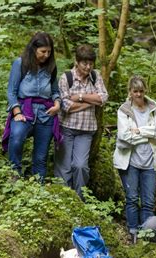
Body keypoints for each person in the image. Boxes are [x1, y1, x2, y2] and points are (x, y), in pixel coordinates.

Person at [113, 75, 156, 239]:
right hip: (130, 162)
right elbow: (124, 136)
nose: (138, 94)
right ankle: (133, 230)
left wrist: (139, 131)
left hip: (150, 162)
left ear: (145, 91)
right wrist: (149, 134)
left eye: (141, 91)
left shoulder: (154, 108)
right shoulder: (124, 110)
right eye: (135, 91)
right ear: (130, 91)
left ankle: (146, 233)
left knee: (149, 202)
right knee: (132, 199)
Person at [2, 31, 61, 181]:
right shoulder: (20, 63)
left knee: (41, 156)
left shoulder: (51, 67)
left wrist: (57, 104)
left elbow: (55, 91)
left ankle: (38, 187)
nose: (46, 55)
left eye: (49, 52)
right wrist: (16, 112)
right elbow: (11, 91)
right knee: (16, 139)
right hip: (24, 111)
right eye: (43, 51)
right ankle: (15, 175)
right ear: (33, 49)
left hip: (46, 115)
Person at [54, 44, 108, 199]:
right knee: (64, 167)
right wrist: (92, 101)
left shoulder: (95, 76)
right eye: (85, 63)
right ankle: (64, 199)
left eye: (91, 63)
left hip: (87, 129)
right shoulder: (66, 77)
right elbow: (66, 106)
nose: (88, 67)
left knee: (80, 166)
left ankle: (79, 199)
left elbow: (103, 98)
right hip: (66, 127)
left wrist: (80, 97)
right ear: (76, 61)